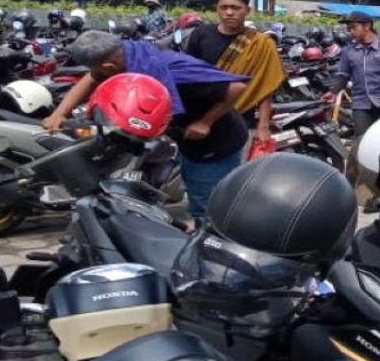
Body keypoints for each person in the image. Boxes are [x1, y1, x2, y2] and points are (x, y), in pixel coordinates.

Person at [41, 30, 249, 224]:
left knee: (207, 205)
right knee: (194, 187)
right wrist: (59, 113)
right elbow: (90, 79)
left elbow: (237, 87)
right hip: (185, 138)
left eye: (95, 68)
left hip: (216, 140)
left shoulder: (168, 69)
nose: (94, 73)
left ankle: (215, 250)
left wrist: (205, 122)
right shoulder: (127, 55)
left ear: (109, 66)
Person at [183, 0, 284, 151]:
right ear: (217, 9)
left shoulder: (261, 43)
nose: (229, 12)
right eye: (224, 7)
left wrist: (263, 126)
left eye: (235, 8)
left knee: (237, 171)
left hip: (240, 119)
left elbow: (265, 88)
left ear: (247, 10)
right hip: (201, 116)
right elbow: (189, 75)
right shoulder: (201, 34)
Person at [324, 11, 380, 141]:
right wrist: (333, 92)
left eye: (354, 27)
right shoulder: (348, 52)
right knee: (362, 142)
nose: (351, 32)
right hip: (360, 104)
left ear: (367, 26)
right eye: (349, 29)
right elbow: (343, 75)